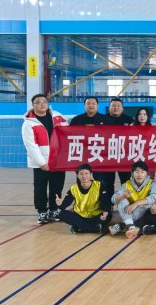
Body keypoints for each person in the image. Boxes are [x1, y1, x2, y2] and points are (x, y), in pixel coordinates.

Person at [22, 94, 66, 224]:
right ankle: (42, 211)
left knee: (57, 187)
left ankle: (54, 209)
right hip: (41, 164)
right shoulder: (28, 123)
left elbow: (68, 133)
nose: (42, 104)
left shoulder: (57, 116)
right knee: (40, 188)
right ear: (33, 105)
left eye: (44, 102)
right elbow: (31, 146)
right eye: (38, 102)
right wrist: (42, 163)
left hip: (58, 161)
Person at [109, 161, 156, 239]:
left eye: (142, 172)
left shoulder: (152, 184)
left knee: (146, 204)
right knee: (122, 200)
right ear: (132, 173)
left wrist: (136, 204)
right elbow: (113, 199)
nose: (139, 175)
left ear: (146, 173)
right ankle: (131, 226)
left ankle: (124, 224)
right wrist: (122, 196)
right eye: (137, 172)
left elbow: (154, 197)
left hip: (142, 212)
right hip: (130, 211)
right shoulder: (126, 184)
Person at [56, 163, 111, 234]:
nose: (84, 176)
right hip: (80, 216)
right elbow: (65, 205)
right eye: (81, 174)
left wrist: (105, 212)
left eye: (86, 173)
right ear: (77, 176)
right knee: (62, 214)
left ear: (91, 174)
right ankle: (93, 229)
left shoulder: (99, 185)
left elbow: (105, 201)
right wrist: (60, 204)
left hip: (95, 215)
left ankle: (79, 227)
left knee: (108, 215)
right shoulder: (74, 188)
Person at [103, 98, 134, 193]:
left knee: (126, 181)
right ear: (109, 107)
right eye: (113, 105)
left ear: (122, 108)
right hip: (107, 155)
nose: (116, 107)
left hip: (124, 155)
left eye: (118, 106)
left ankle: (126, 200)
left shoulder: (129, 120)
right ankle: (109, 201)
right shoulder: (102, 119)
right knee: (108, 181)